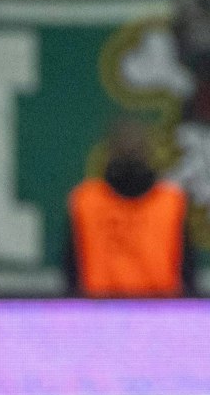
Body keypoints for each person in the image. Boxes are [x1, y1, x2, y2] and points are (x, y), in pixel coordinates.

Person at [62, 119, 196, 298]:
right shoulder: (171, 202)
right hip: (152, 315)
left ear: (108, 154)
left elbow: (70, 273)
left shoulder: (85, 201)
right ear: (148, 154)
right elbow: (189, 275)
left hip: (104, 315)